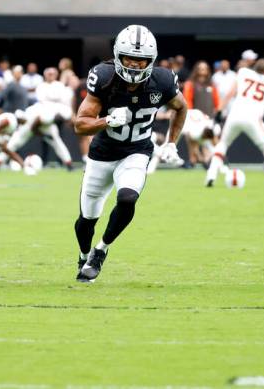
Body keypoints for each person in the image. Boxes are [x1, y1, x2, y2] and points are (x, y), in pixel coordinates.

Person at [73, 25, 187, 282]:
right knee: (87, 220)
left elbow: (181, 107)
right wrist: (108, 120)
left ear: (151, 60)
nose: (135, 65)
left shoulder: (164, 80)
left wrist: (171, 143)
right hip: (102, 153)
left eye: (141, 60)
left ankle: (100, 250)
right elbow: (80, 124)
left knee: (127, 198)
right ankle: (83, 255)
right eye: (129, 58)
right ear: (118, 56)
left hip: (136, 151)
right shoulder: (104, 77)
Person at [204, 58, 264, 190]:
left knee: (222, 144)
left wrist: (219, 111)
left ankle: (211, 174)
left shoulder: (244, 73)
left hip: (234, 116)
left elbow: (229, 94)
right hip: (253, 119)